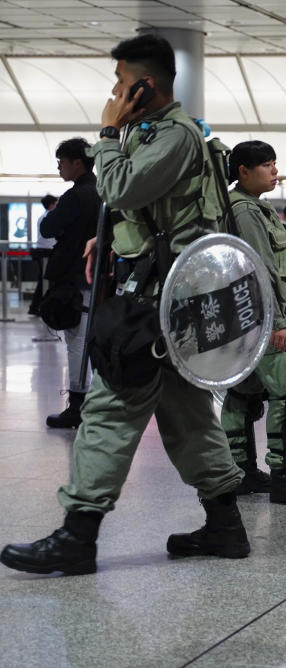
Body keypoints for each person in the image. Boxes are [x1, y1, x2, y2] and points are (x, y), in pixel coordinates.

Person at [0, 33, 249, 577]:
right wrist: (108, 237)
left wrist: (107, 131)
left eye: (120, 82)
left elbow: (118, 186)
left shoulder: (173, 136)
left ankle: (77, 535)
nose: (114, 92)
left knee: (109, 409)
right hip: (169, 297)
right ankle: (226, 525)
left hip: (159, 302)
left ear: (145, 85)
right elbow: (144, 209)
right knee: (186, 415)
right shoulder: (162, 133)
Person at [222, 141, 286, 506]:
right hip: (263, 319)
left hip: (246, 319)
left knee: (243, 394)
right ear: (243, 171)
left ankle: (242, 473)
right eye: (266, 165)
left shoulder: (256, 207)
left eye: (274, 164)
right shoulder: (245, 211)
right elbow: (259, 267)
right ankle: (284, 479)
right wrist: (278, 321)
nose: (274, 171)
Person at [40, 139, 100, 429]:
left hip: (75, 277)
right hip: (99, 275)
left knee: (76, 341)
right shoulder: (104, 191)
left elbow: (47, 227)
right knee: (93, 340)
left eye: (61, 161)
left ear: (77, 162)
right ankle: (95, 404)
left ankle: (77, 406)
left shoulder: (76, 195)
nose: (60, 167)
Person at [28, 194, 58, 317]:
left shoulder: (43, 216)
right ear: (51, 204)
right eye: (56, 203)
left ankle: (36, 307)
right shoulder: (50, 216)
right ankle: (38, 307)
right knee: (45, 281)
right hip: (47, 251)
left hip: (42, 250)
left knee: (44, 280)